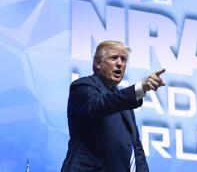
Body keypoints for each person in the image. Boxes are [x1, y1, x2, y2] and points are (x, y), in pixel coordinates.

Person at [61, 40, 165, 172]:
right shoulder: (82, 86)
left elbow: (135, 147)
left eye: (123, 59)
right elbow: (100, 105)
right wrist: (140, 89)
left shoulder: (124, 101)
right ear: (98, 63)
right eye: (114, 58)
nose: (120, 63)